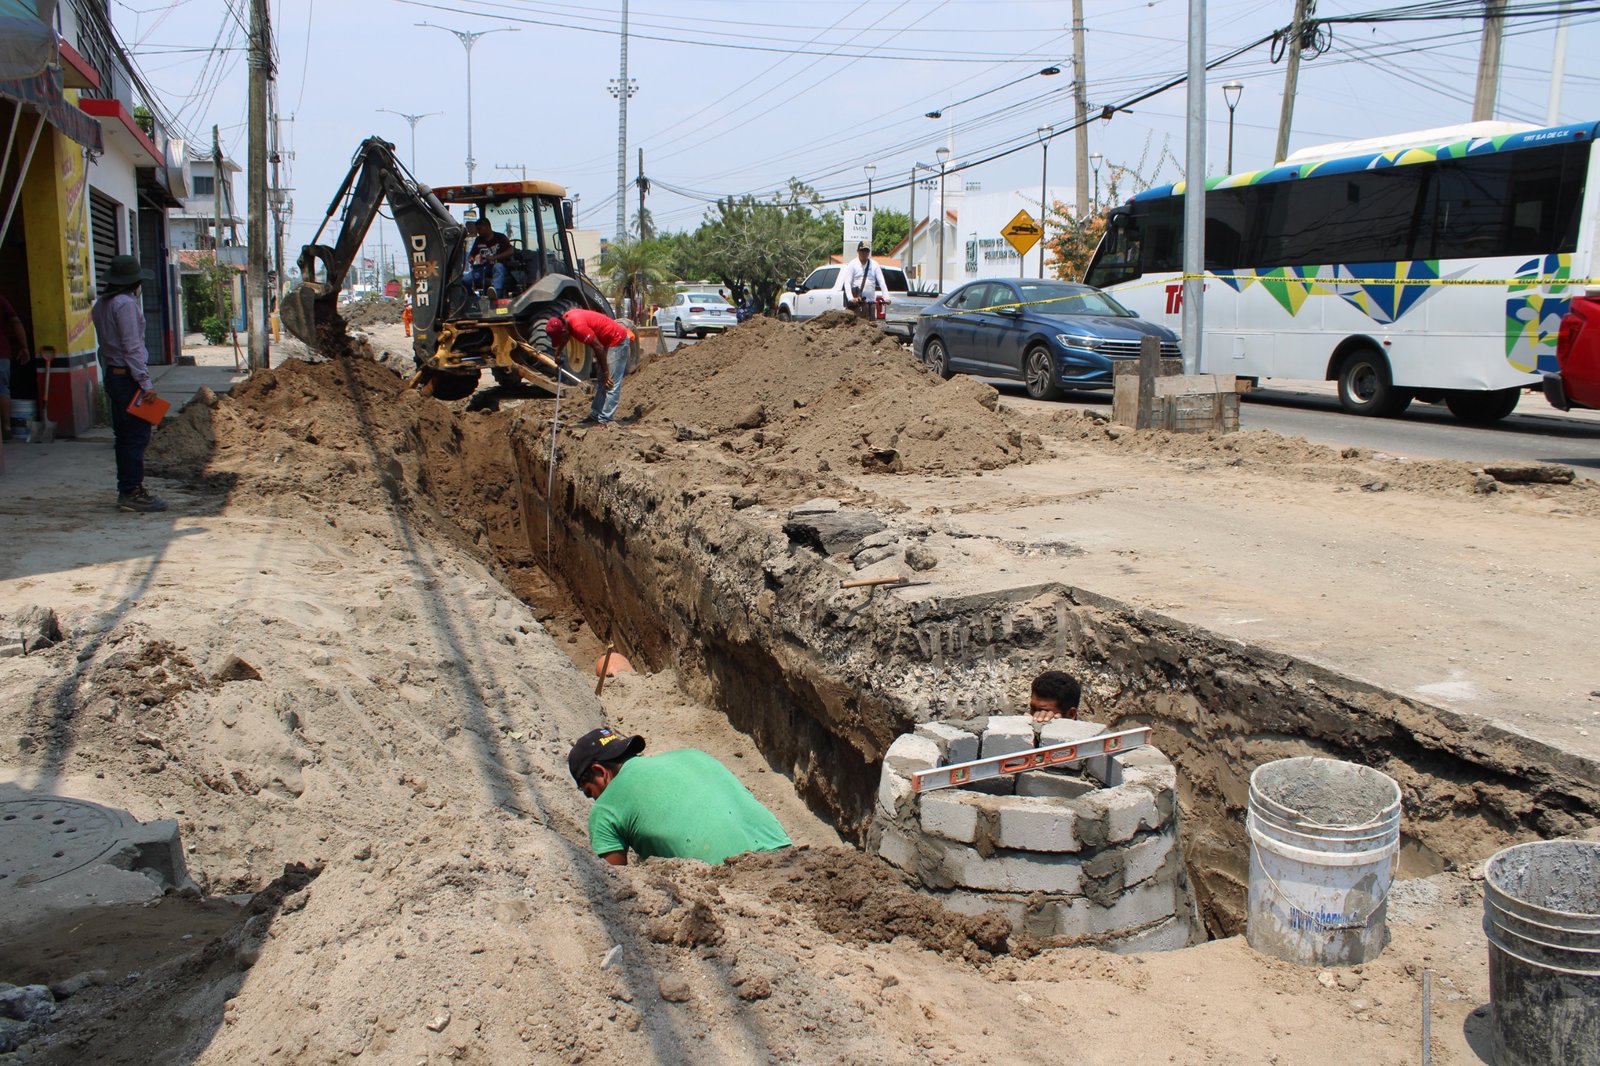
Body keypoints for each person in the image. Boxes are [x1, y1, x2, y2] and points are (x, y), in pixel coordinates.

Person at [568, 727, 792, 866]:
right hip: (789, 859)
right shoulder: (692, 755)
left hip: (733, 877)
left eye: (590, 793)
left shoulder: (605, 809)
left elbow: (614, 885)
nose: (595, 801)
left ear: (599, 772)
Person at [92, 254, 167, 513]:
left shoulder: (101, 305)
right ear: (134, 282)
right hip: (128, 377)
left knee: (123, 435)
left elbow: (105, 347)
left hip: (115, 375)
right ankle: (132, 491)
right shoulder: (125, 305)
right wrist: (146, 384)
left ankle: (127, 488)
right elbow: (132, 347)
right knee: (136, 436)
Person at [545, 308, 633, 427]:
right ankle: (595, 415)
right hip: (606, 342)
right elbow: (566, 337)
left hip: (617, 340)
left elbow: (599, 348)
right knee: (602, 381)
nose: (560, 341)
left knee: (611, 382)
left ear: (564, 331)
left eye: (559, 338)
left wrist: (606, 373)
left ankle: (606, 420)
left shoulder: (579, 327)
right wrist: (558, 353)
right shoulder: (566, 319)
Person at [0, 291, 30, 439]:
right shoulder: (1, 300)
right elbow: (15, 321)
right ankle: (6, 426)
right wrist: (24, 346)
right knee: (2, 389)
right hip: (1, 353)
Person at [837, 242, 889, 322]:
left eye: (866, 251)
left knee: (871, 326)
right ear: (858, 251)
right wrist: (851, 298)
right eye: (862, 251)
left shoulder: (874, 265)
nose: (864, 253)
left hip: (870, 302)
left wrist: (886, 297)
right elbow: (847, 282)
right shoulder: (852, 264)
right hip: (857, 303)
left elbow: (882, 282)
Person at [466, 217, 513, 296]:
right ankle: (473, 297)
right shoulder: (479, 240)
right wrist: (471, 258)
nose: (478, 232)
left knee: (498, 267)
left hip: (500, 266)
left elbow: (511, 251)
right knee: (466, 280)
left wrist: (495, 257)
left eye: (479, 229)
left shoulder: (500, 237)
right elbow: (472, 254)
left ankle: (495, 294)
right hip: (485, 268)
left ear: (487, 226)